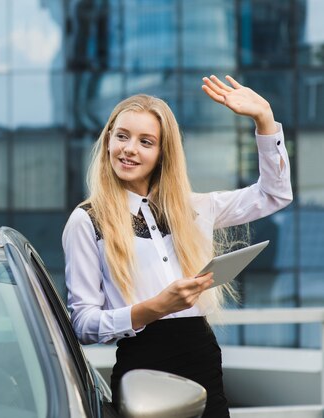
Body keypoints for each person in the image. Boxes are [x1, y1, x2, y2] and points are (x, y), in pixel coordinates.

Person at [62, 75, 292, 418]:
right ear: (108, 140)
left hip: (203, 359)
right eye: (122, 136)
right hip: (143, 368)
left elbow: (274, 194)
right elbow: (83, 323)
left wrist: (264, 119)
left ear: (161, 153)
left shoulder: (193, 207)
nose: (129, 149)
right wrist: (153, 308)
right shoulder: (86, 220)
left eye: (145, 141)